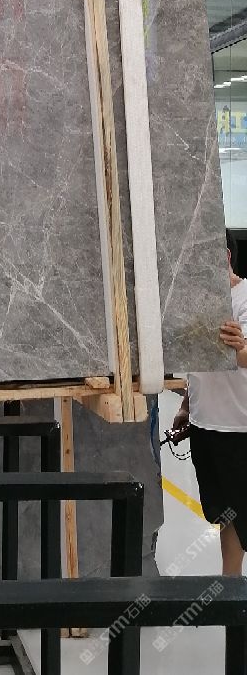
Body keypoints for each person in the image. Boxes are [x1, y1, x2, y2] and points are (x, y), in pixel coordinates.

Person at [173, 230, 247, 576]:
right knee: (227, 515)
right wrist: (186, 407)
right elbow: (198, 362)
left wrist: (241, 348)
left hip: (240, 428)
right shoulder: (198, 303)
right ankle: (230, 584)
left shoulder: (245, 297)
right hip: (206, 425)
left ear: (226, 257)